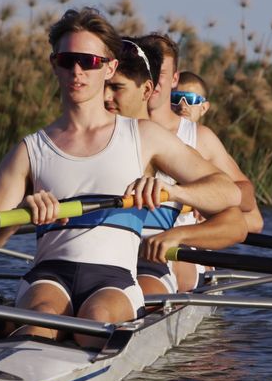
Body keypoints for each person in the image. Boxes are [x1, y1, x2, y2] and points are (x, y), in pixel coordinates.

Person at [0, 8, 240, 348]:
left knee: (94, 322)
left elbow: (228, 193)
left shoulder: (145, 137)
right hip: (47, 277)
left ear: (109, 67)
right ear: (54, 64)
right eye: (68, 60)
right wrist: (21, 210)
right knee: (41, 322)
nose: (77, 71)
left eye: (89, 61)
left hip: (113, 281)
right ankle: (22, 349)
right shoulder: (29, 150)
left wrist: (171, 191)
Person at [104, 38, 247, 296]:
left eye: (115, 87)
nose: (105, 97)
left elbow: (238, 222)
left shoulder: (173, 151)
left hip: (151, 266)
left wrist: (179, 232)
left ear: (145, 89)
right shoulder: (78, 143)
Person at [138, 33, 264, 291]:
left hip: (180, 251)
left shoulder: (200, 138)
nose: (151, 79)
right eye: (144, 70)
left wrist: (202, 196)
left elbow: (250, 208)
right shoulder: (111, 129)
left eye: (158, 72)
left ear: (174, 79)